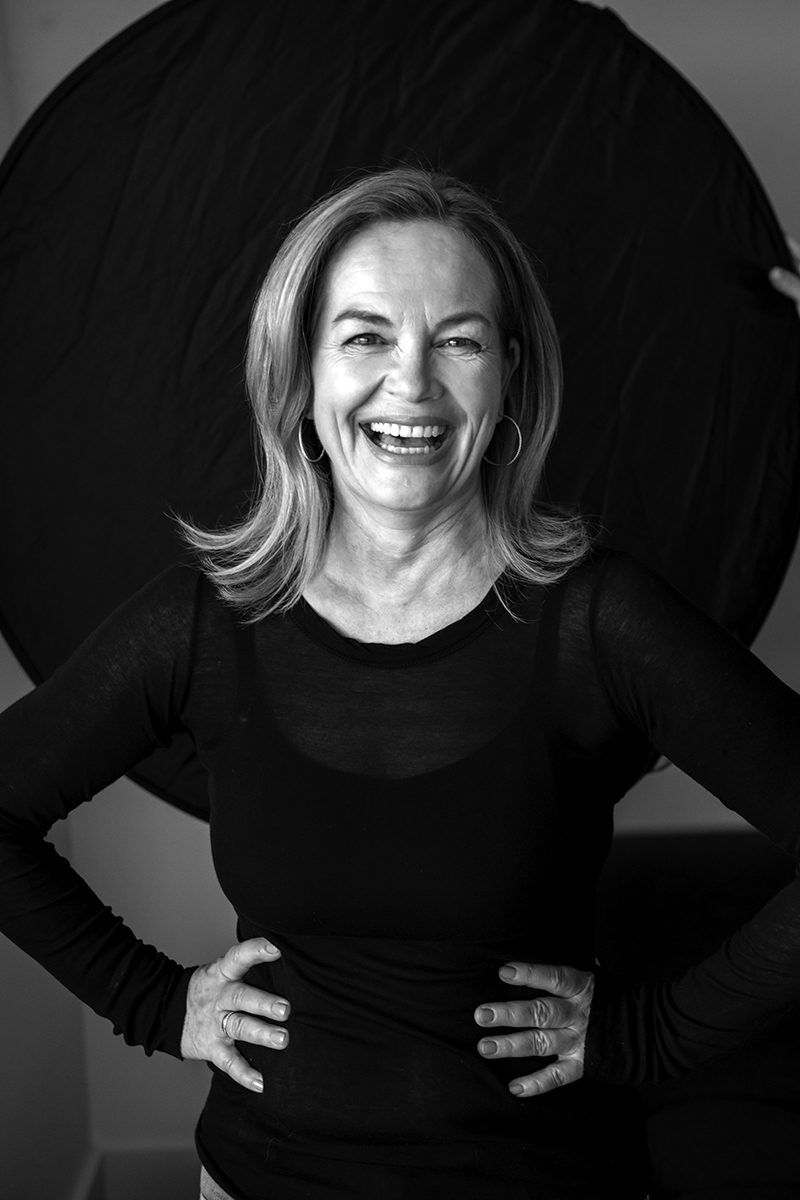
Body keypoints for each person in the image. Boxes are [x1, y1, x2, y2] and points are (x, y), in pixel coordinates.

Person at [1, 167, 800, 1200]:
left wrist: (658, 1031)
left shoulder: (599, 621)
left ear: (509, 373)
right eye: (365, 336)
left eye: (457, 340)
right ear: (299, 370)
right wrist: (155, 1003)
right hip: (257, 1182)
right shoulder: (201, 622)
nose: (412, 384)